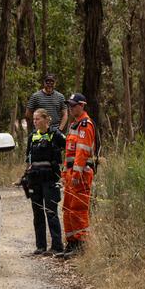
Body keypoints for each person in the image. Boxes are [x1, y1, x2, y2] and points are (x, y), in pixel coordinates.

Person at [22, 108, 66, 255]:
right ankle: (40, 246)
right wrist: (25, 177)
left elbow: (69, 148)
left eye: (38, 119)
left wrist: (65, 172)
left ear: (46, 120)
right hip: (35, 179)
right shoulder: (32, 136)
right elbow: (28, 159)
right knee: (37, 213)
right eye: (34, 119)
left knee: (51, 212)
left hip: (50, 179)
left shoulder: (55, 135)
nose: (35, 122)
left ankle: (57, 246)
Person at [59, 93, 96, 257]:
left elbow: (82, 152)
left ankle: (80, 246)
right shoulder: (74, 125)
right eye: (70, 105)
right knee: (68, 208)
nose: (71, 108)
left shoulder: (85, 125)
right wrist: (65, 173)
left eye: (74, 105)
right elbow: (69, 154)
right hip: (70, 174)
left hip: (80, 175)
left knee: (78, 209)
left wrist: (76, 174)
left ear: (82, 105)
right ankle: (71, 243)